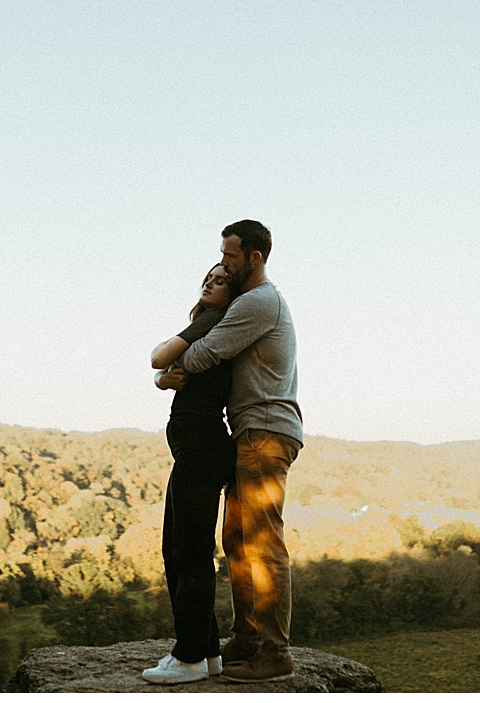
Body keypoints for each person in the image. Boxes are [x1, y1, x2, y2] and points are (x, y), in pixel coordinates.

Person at [173, 219, 303, 684]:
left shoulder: (258, 302)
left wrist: (170, 368)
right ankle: (247, 639)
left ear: (254, 257)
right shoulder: (256, 301)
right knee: (238, 542)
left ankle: (274, 652)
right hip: (251, 431)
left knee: (263, 544)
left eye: (230, 256)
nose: (222, 263)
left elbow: (206, 352)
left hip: (265, 431)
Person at [139, 265, 239, 685]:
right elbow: (164, 369)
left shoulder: (218, 319)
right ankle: (208, 651)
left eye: (221, 279)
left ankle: (189, 656)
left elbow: (157, 355)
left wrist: (164, 371)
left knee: (188, 553)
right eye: (208, 277)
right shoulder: (206, 323)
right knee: (179, 549)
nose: (209, 282)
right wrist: (166, 381)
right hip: (193, 448)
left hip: (201, 447)